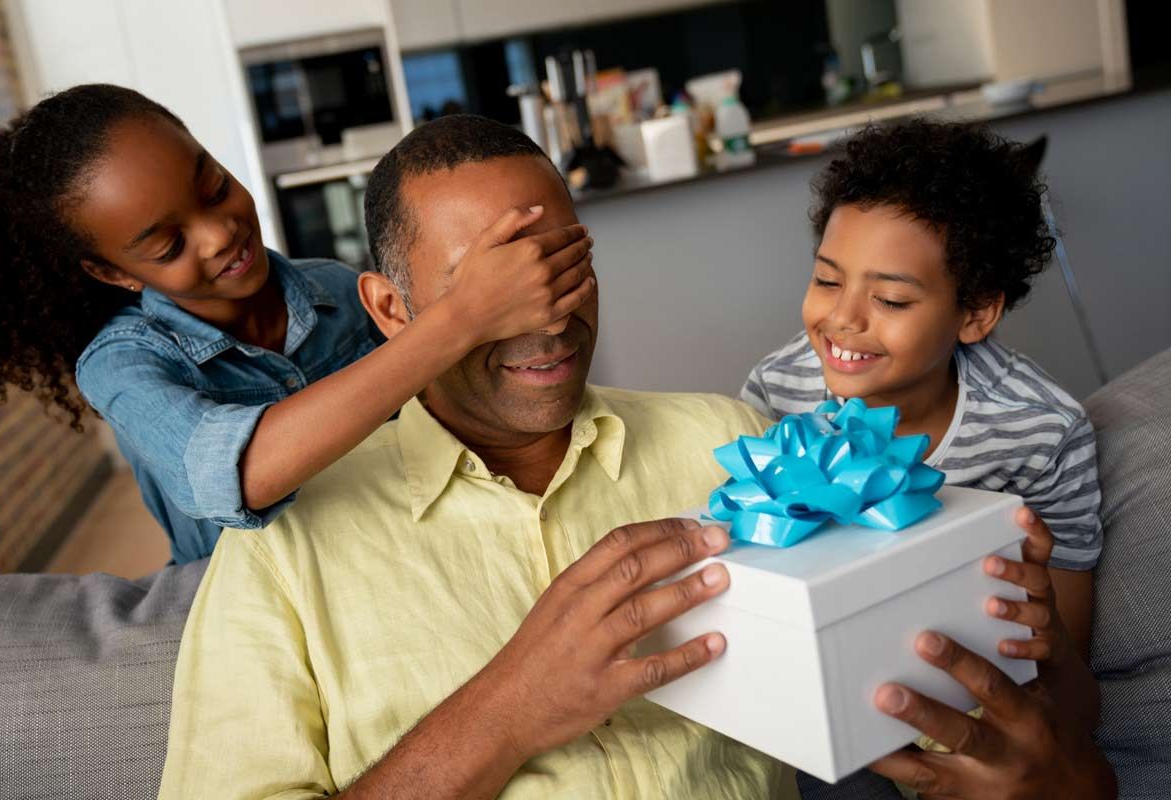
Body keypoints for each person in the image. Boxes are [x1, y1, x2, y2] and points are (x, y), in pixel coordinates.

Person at [158, 115, 1109, 799]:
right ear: (393, 312)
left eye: (566, 263)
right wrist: (506, 711)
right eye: (490, 288)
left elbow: (922, 711)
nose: (549, 313)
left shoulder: (738, 444)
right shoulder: (279, 549)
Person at [0, 85, 595, 563]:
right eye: (168, 245)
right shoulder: (120, 366)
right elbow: (236, 474)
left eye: (214, 186)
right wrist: (462, 315)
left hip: (390, 563)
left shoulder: (339, 292)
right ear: (114, 273)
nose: (220, 234)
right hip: (252, 610)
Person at [740, 120, 1101, 732]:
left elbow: (1063, 651)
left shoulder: (1041, 432)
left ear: (976, 312)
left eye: (892, 301)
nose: (842, 319)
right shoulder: (779, 393)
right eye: (827, 279)